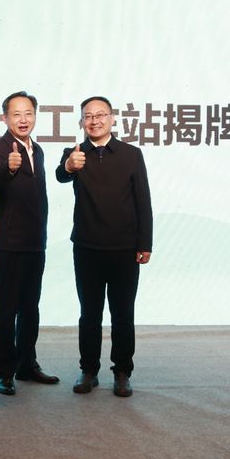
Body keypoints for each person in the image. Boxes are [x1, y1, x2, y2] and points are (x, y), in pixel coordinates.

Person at [56, 96, 153, 398]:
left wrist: (145, 243)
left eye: (100, 115)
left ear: (112, 119)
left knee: (123, 313)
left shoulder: (131, 154)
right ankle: (88, 371)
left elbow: (143, 200)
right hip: (87, 247)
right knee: (89, 314)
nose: (94, 121)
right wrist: (69, 166)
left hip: (125, 248)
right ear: (81, 122)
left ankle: (122, 372)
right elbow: (60, 175)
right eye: (88, 116)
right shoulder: (75, 154)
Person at [0, 90, 59, 396]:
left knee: (30, 308)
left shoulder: (37, 150)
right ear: (5, 118)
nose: (23, 119)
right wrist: (9, 167)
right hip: (8, 243)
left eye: (28, 113)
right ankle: (4, 372)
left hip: (35, 242)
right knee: (6, 309)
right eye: (16, 114)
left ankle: (27, 364)